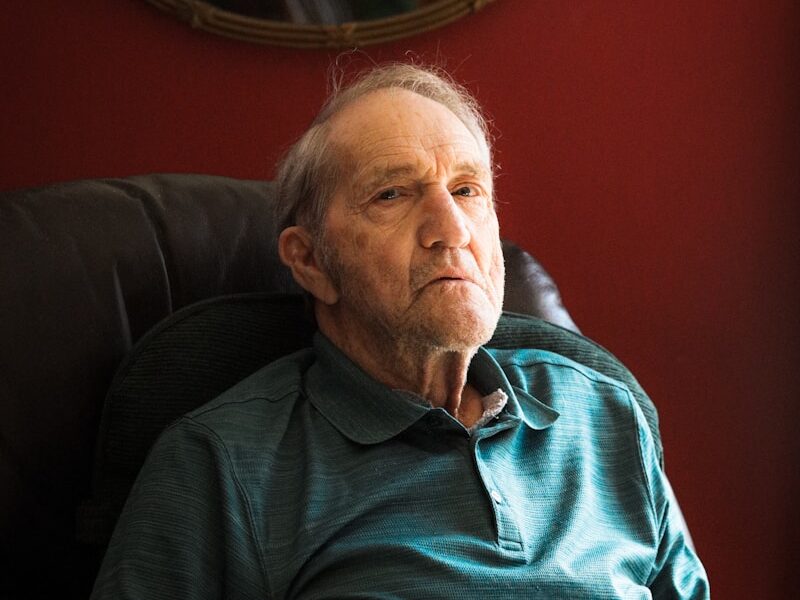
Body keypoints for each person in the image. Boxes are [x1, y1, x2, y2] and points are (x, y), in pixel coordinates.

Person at [91, 63, 709, 599]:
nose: (451, 227)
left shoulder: (607, 414)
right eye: (391, 194)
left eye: (467, 190)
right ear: (310, 260)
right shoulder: (219, 465)